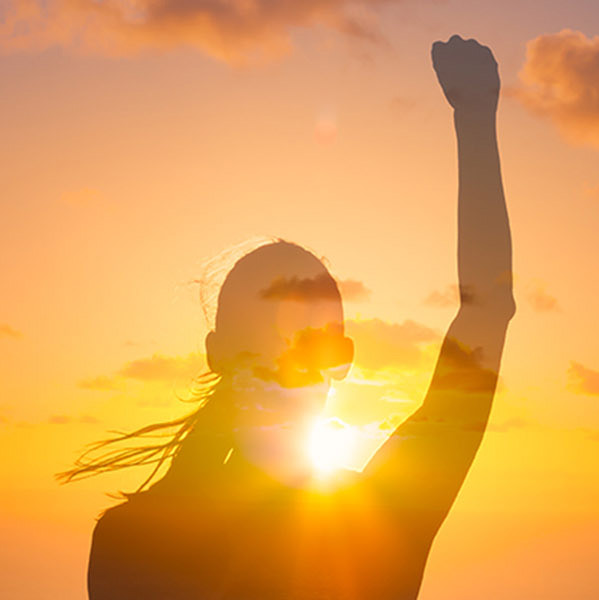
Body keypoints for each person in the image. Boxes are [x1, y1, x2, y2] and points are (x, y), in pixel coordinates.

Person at [60, 35, 513, 599]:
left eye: (327, 347)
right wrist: (475, 117)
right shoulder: (377, 520)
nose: (302, 364)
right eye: (284, 332)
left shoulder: (373, 518)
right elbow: (488, 310)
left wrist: (475, 118)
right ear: (219, 351)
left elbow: (486, 311)